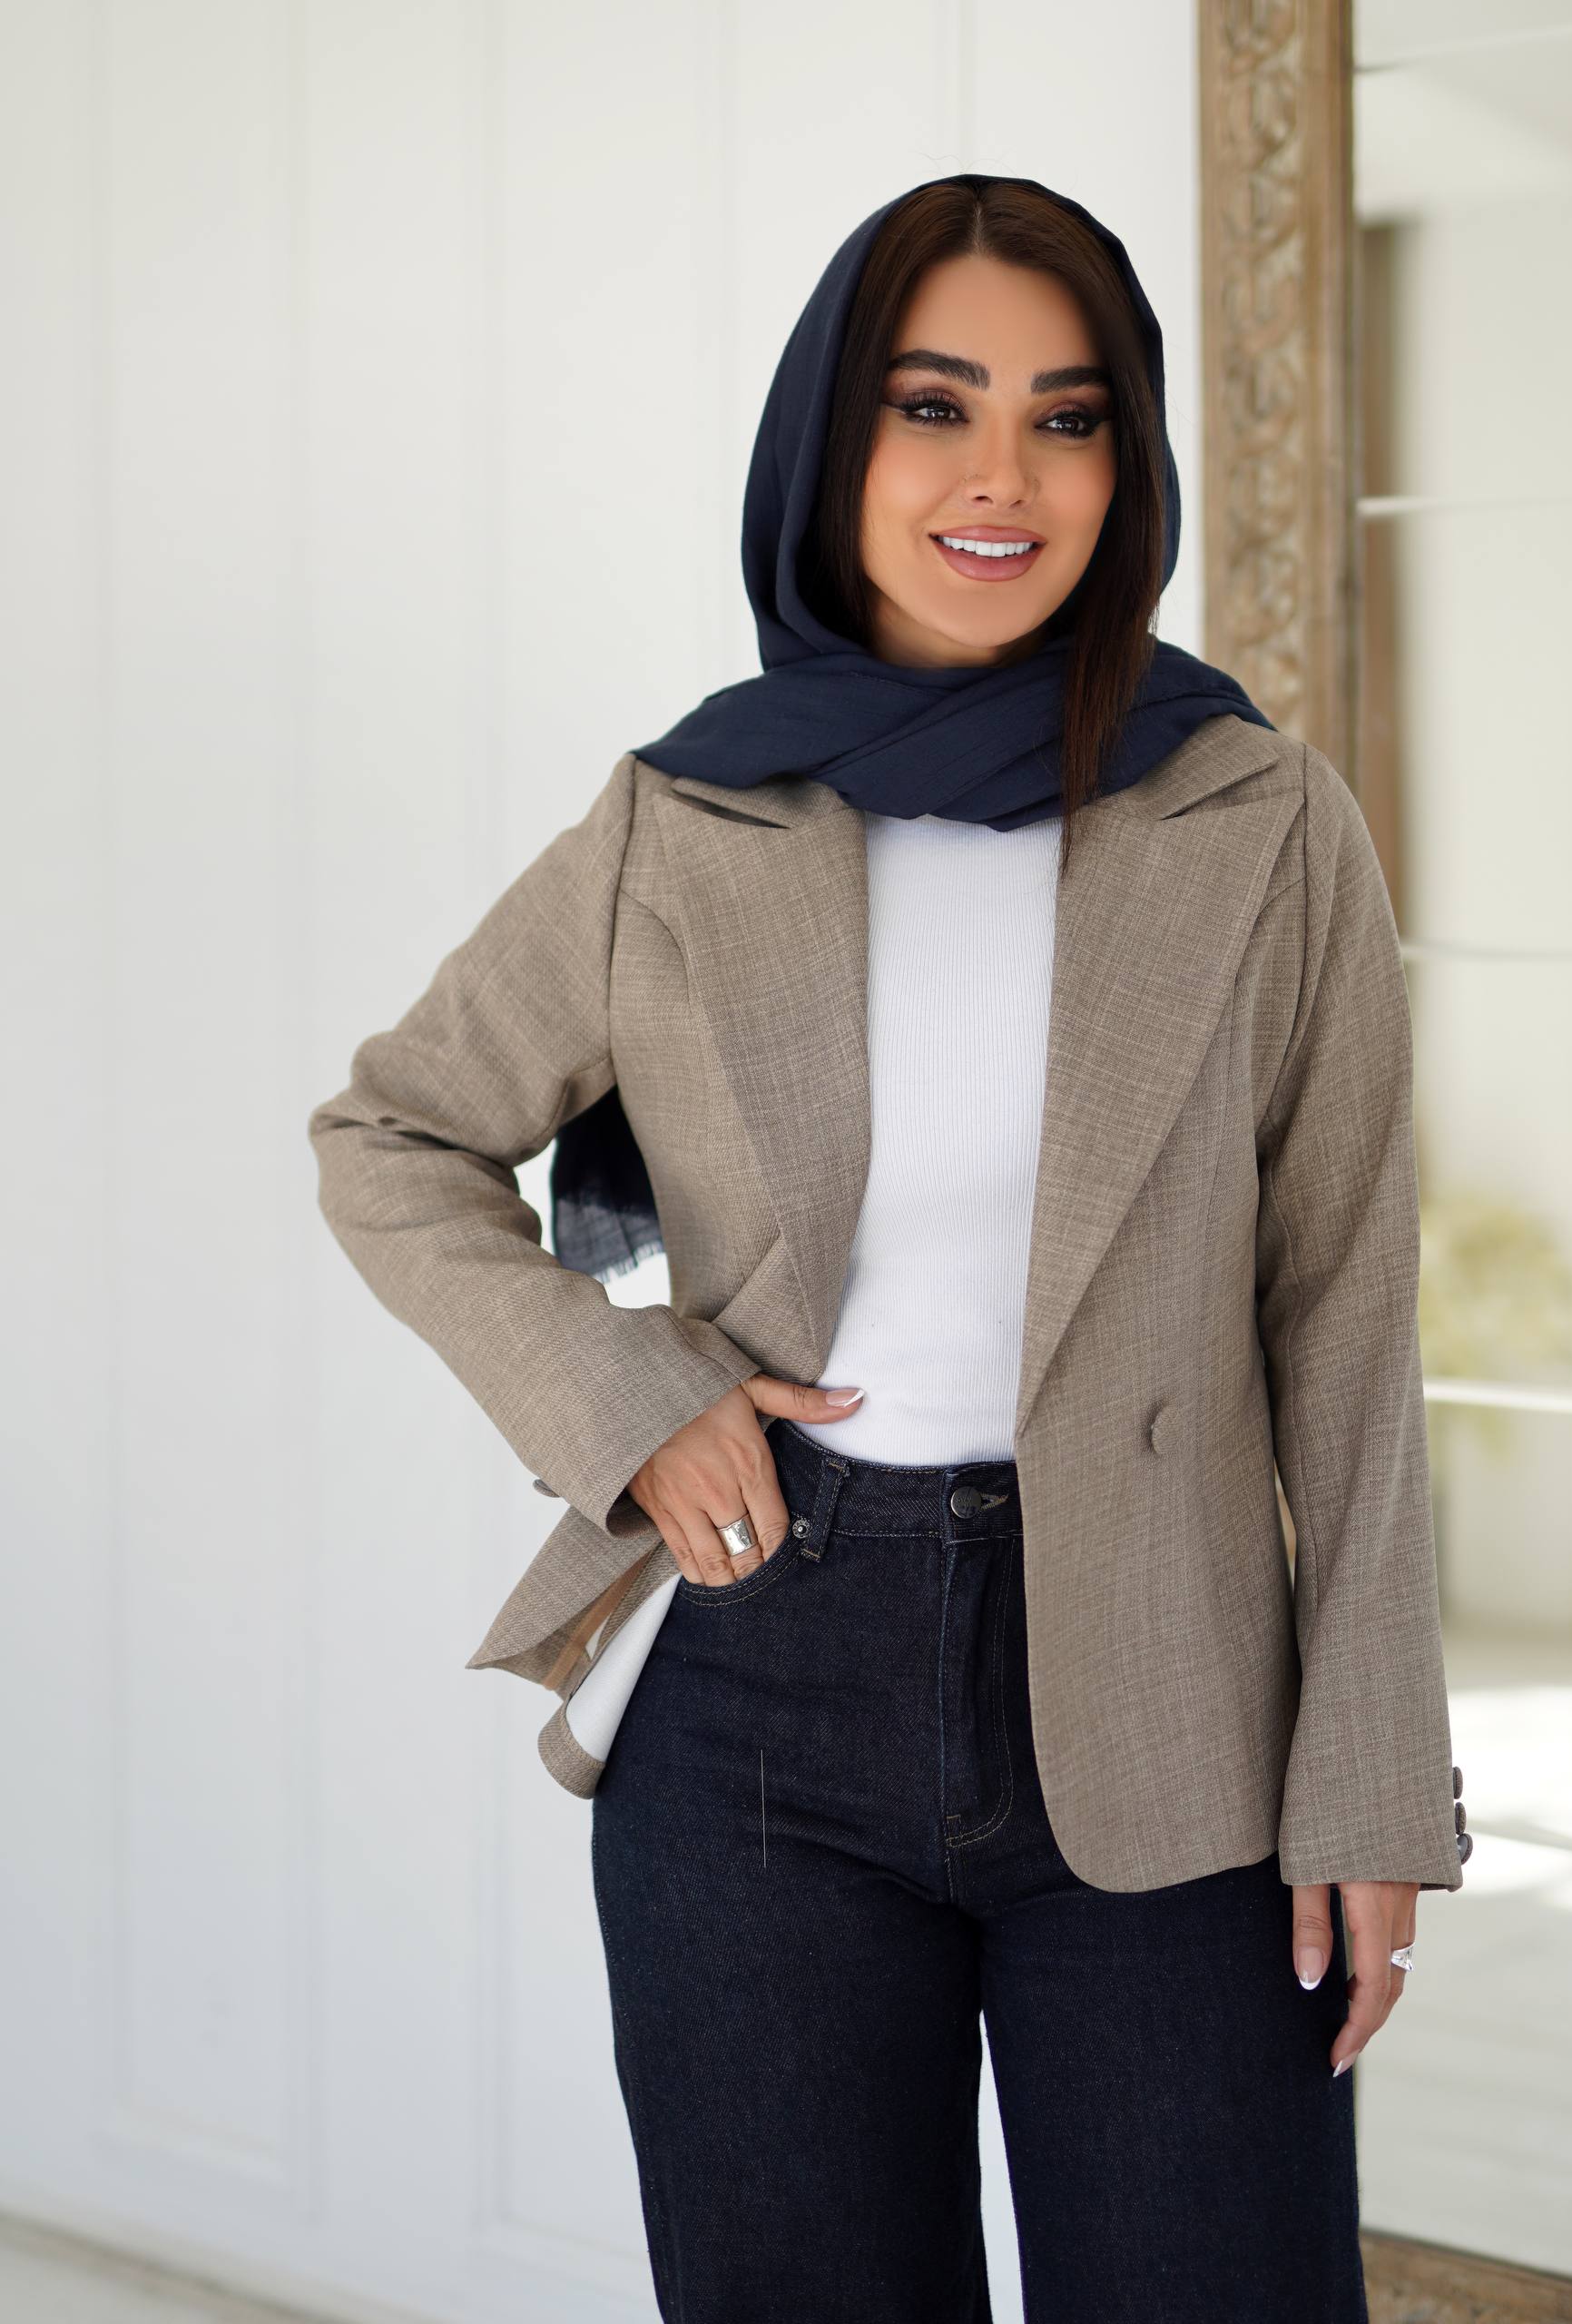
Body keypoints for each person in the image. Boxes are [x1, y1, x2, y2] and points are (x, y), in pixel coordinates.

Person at [309, 171, 1471, 2324]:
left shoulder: (1253, 816)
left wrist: (1377, 1775)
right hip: (760, 1683)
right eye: (933, 407)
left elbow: (1344, 1319)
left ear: (1127, 462)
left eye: (1066, 415)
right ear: (829, 449)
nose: (998, 474)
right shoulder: (683, 817)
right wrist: (636, 1400)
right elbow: (392, 1135)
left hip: (1176, 1692)